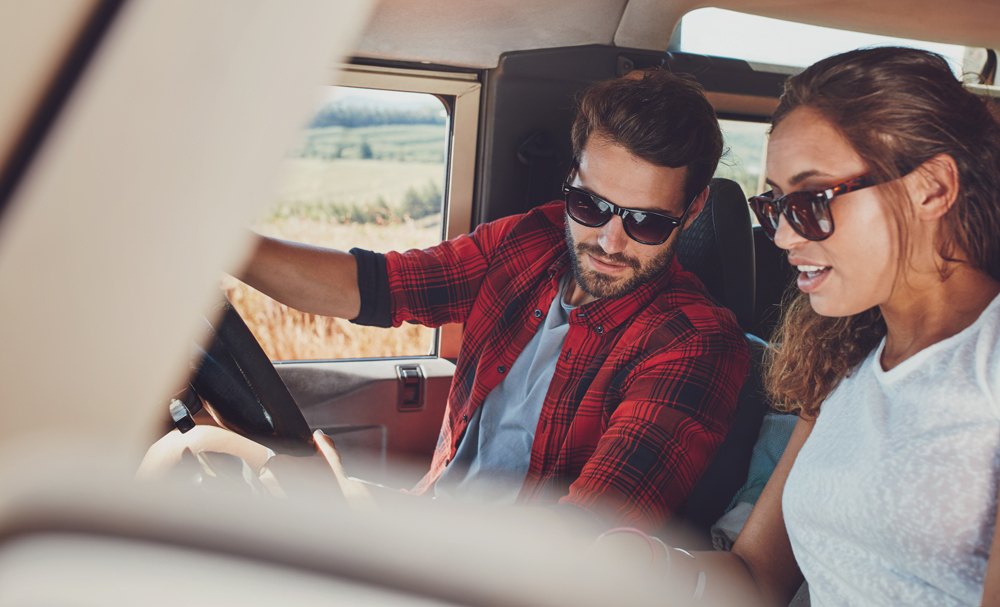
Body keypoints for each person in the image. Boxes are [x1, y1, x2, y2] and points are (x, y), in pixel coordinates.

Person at [146, 68, 750, 534]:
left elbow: (584, 543)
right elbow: (376, 286)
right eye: (590, 206)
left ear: (692, 210)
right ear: (573, 178)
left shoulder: (697, 343)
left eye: (646, 221)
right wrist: (219, 242)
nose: (610, 242)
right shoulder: (529, 242)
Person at [590, 47, 1000, 606]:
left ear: (931, 187)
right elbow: (758, 578)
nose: (783, 236)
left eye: (810, 202)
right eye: (776, 206)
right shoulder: (843, 363)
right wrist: (644, 567)